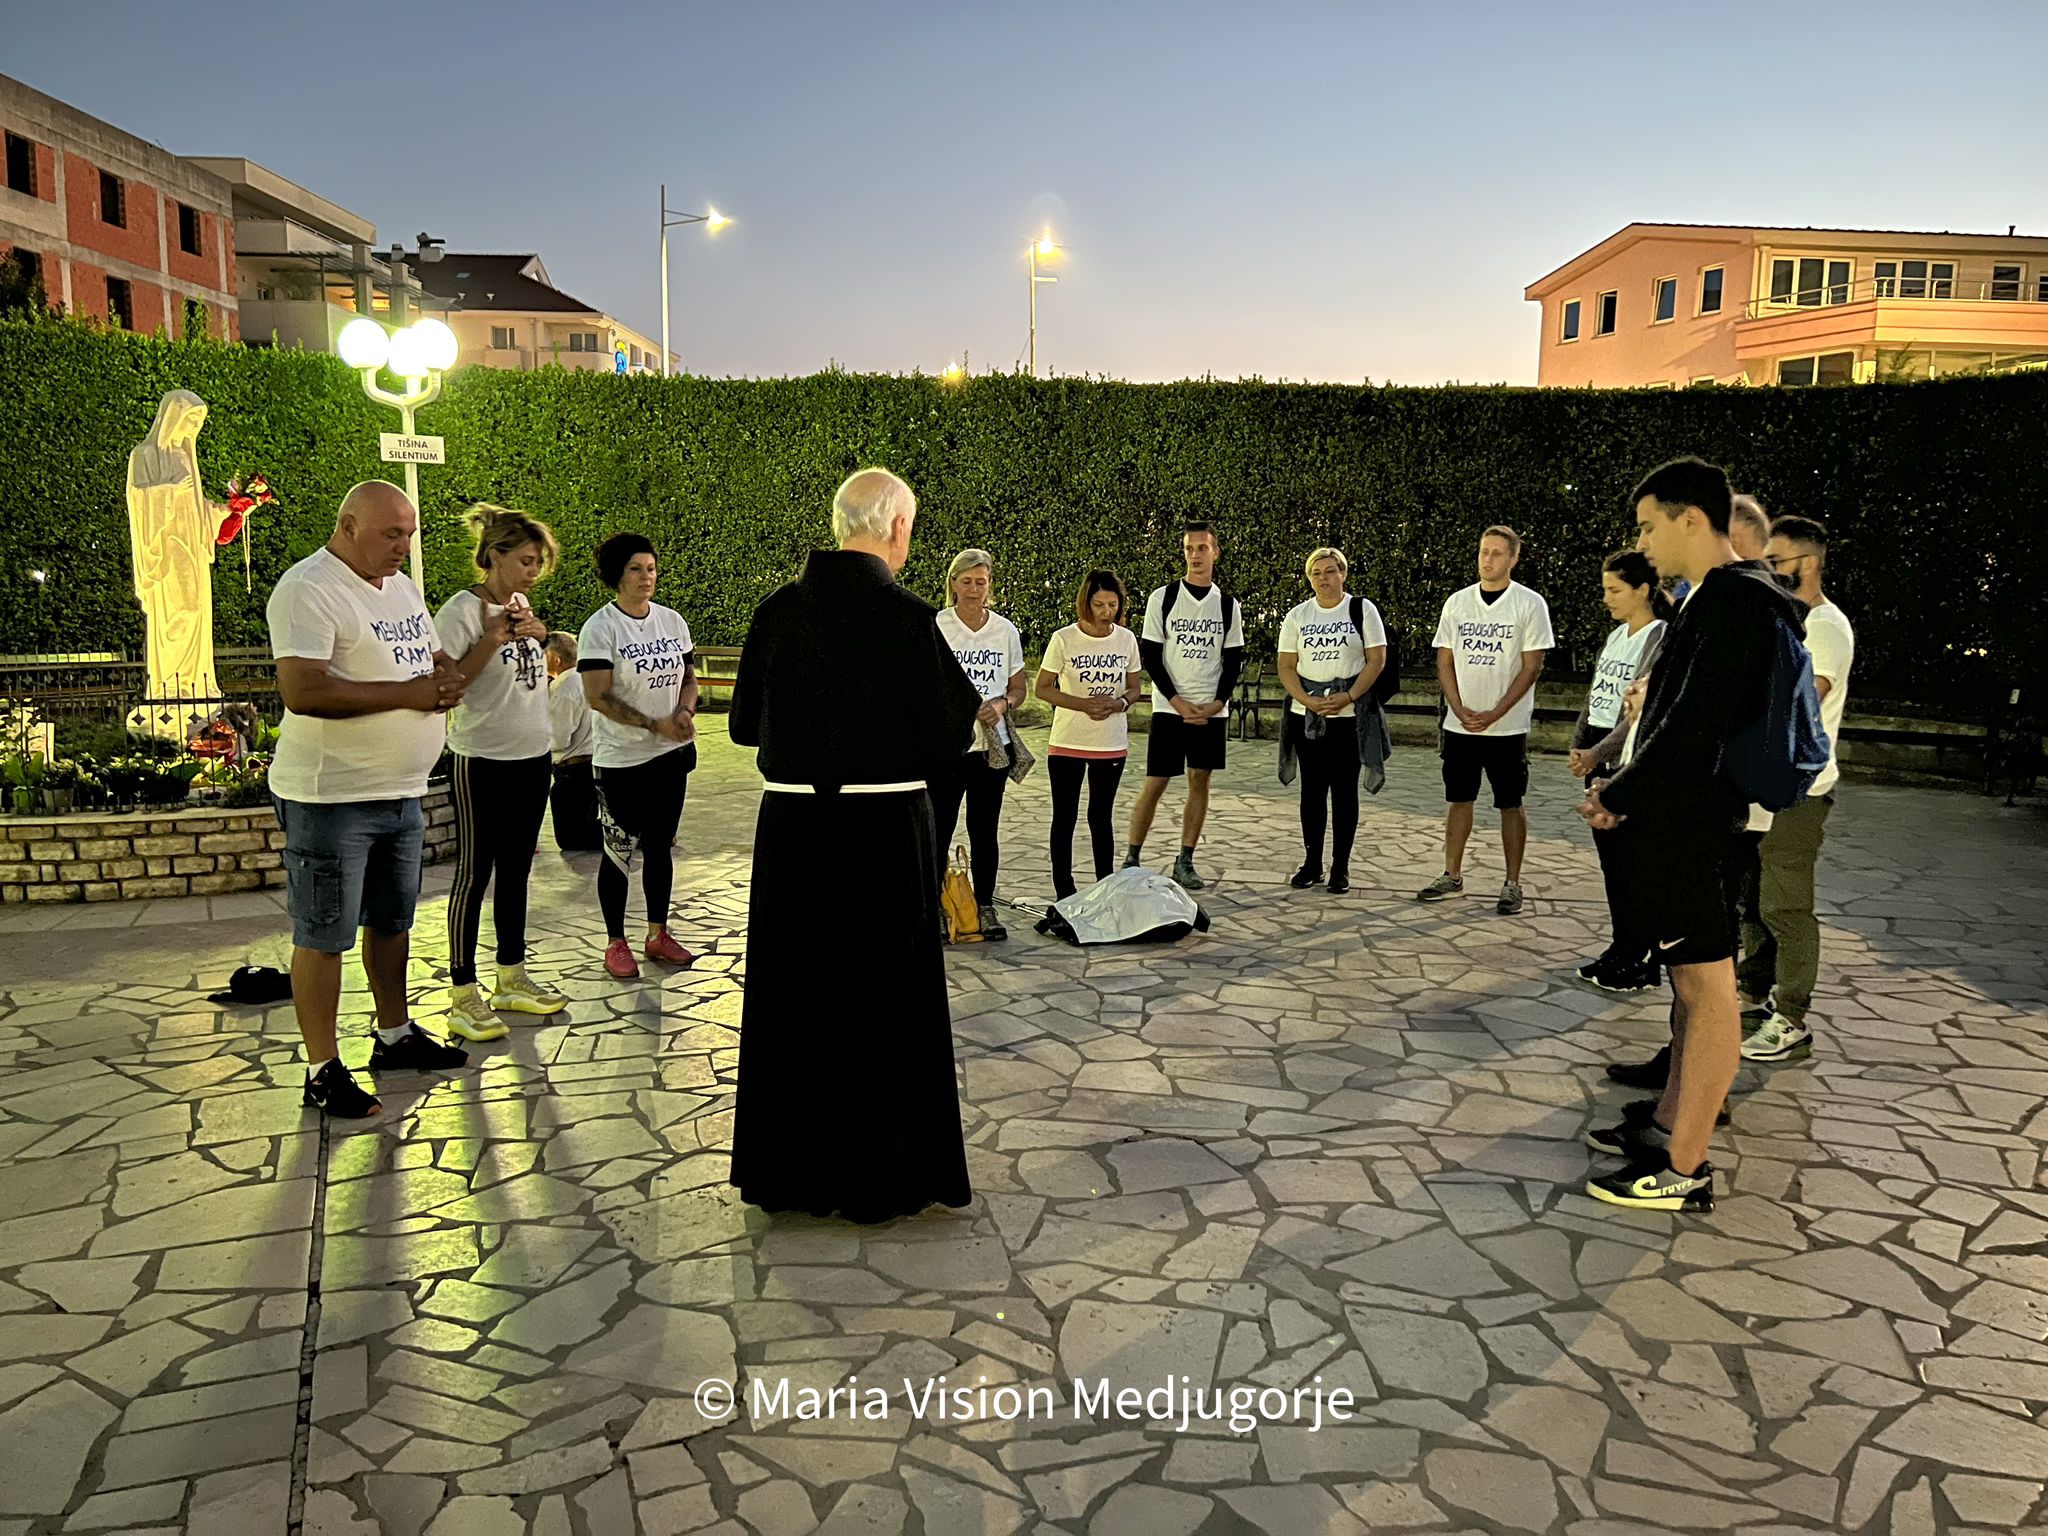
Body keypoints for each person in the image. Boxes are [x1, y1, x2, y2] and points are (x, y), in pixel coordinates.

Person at [728, 468, 981, 1222]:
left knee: (796, 998)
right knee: (883, 1000)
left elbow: (743, 726)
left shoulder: (775, 612)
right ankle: (882, 1178)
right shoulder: (909, 619)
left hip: (794, 830)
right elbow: (949, 732)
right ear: (896, 529)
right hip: (883, 830)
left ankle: (791, 1175)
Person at [1579, 456, 1808, 1212]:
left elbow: (1690, 726)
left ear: (1691, 520)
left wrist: (1619, 791)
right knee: (1689, 987)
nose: (1642, 542)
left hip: (1697, 827)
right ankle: (1671, 1122)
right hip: (1690, 822)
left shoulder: (1732, 604)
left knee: (1708, 992)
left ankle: (1684, 1169)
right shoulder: (1722, 599)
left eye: (1649, 525)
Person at [268, 482, 477, 1120]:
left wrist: (447, 678)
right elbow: (304, 690)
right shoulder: (308, 588)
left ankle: (393, 1035)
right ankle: (321, 1067)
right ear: (349, 524)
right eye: (392, 534)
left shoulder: (403, 587)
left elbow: (432, 660)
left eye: (409, 533)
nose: (403, 546)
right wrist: (411, 696)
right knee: (324, 932)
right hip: (332, 795)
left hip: (401, 791)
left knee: (392, 922)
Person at [435, 506, 569, 1040]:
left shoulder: (519, 603)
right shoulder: (461, 611)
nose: (534, 572)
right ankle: (462, 992)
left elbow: (523, 678)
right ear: (495, 557)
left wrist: (536, 636)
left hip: (531, 756)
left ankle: (510, 976)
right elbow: (447, 686)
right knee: (475, 872)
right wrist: (492, 638)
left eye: (540, 563)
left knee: (517, 869)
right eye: (527, 561)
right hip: (481, 758)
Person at [1740, 514, 1854, 1065]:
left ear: (1808, 563)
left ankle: (1792, 1018)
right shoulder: (1787, 620)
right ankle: (1753, 993)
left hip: (1800, 790)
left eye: (1777, 562)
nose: (1770, 571)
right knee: (1753, 899)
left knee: (1785, 905)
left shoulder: (1826, 627)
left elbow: (1798, 698)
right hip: (1765, 784)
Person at [576, 532, 699, 980]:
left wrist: (684, 712)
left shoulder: (672, 621)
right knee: (618, 852)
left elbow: (689, 676)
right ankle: (615, 940)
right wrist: (652, 725)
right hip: (622, 761)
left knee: (660, 847)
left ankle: (657, 932)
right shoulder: (600, 628)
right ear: (616, 575)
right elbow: (598, 696)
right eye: (635, 569)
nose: (646, 577)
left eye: (650, 568)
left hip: (672, 756)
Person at [1415, 526, 1555, 914]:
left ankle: (1512, 882)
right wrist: (1458, 708)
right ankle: (1452, 874)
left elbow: (1532, 666)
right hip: (1461, 725)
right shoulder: (1457, 603)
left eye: (1496, 553)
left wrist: (1496, 712)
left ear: (1512, 559)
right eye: (1483, 551)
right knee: (1459, 799)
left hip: (1506, 727)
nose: (1488, 559)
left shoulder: (1529, 604)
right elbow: (1444, 660)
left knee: (1510, 802)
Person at [1567, 550, 1671, 990]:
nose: (1607, 598)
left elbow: (1638, 713)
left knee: (1635, 864)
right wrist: (1578, 746)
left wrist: (1599, 753)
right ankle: (1621, 946)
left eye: (1615, 590)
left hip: (1626, 761)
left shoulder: (1661, 638)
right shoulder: (1615, 637)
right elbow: (1597, 696)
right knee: (1613, 864)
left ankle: (1641, 956)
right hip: (1598, 755)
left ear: (1642, 590)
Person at [1126, 524, 1245, 890]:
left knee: (1199, 779)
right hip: (1169, 707)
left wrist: (1216, 704)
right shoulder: (1162, 598)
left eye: (1203, 548)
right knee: (1156, 781)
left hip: (1209, 709)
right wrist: (1176, 701)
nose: (1196, 555)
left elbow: (1234, 658)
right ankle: (1132, 857)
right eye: (1190, 548)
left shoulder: (1227, 605)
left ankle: (1185, 859)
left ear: (1215, 553)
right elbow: (1151, 655)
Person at [1276, 547, 1387, 895]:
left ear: (1343, 573)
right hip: (1307, 717)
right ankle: (1312, 863)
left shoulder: (1362, 610)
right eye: (1316, 573)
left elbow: (1376, 659)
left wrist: (1349, 696)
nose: (1324, 579)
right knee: (1311, 793)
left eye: (1330, 571)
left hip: (1350, 719)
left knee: (1344, 793)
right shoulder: (1298, 616)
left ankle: (1341, 866)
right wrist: (1307, 700)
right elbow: (1286, 666)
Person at [931, 549, 1027, 941]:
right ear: (952, 583)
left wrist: (1002, 704)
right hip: (947, 746)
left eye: (981, 581)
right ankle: (937, 905)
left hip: (992, 746)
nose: (973, 589)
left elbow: (1018, 687)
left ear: (990, 585)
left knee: (984, 829)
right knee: (939, 827)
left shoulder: (1004, 631)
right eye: (966, 581)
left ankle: (984, 905)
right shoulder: (937, 625)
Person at [1037, 570, 1145, 901]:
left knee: (1101, 815)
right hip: (1068, 741)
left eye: (1112, 604)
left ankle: (1105, 885)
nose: (1106, 611)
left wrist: (1120, 702)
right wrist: (1082, 704)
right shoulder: (1063, 638)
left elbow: (1135, 686)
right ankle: (1064, 889)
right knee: (1065, 815)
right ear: (1086, 603)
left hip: (1110, 742)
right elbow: (1042, 688)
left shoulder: (1126, 639)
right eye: (1099, 604)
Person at [546, 632, 601, 852]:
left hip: (574, 769)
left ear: (556, 659)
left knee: (572, 838)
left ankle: (639, 833)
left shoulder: (564, 687)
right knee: (583, 825)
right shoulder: (590, 677)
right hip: (594, 762)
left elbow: (558, 737)